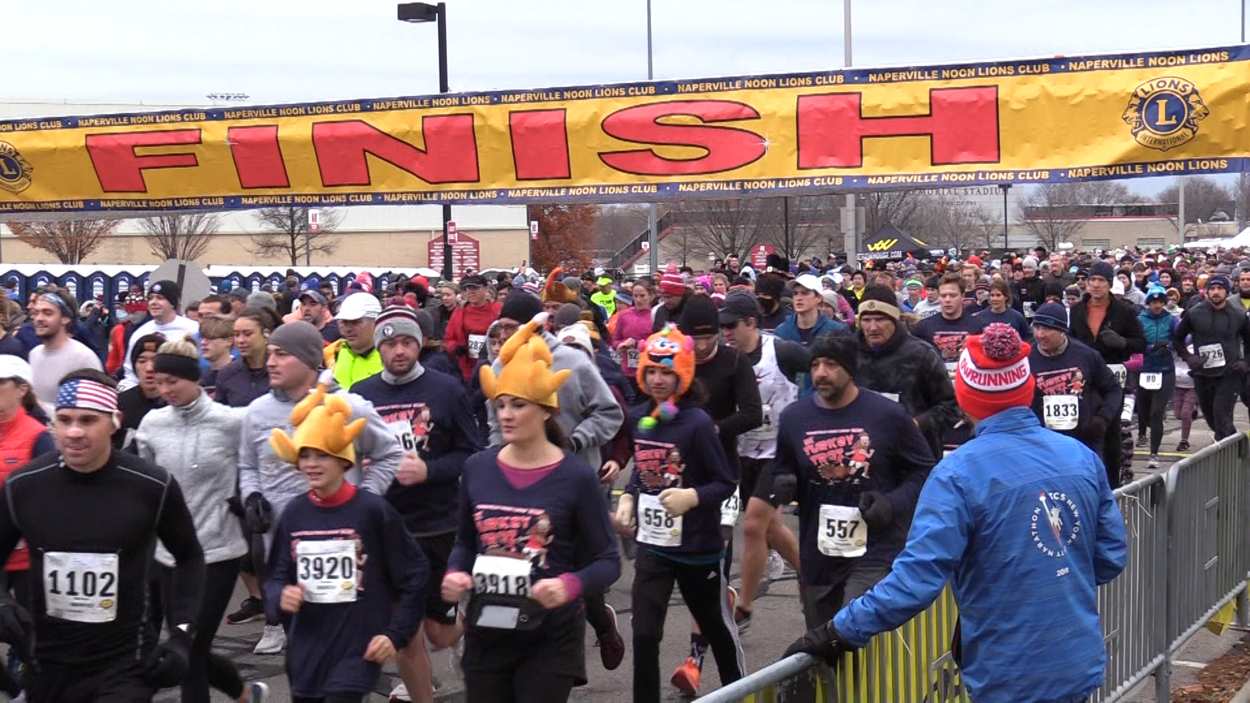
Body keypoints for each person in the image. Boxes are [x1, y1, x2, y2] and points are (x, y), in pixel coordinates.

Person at [785, 323, 1128, 703]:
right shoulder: (1079, 456)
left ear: (965, 397)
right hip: (1076, 660)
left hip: (1007, 671)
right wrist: (1050, 576)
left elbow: (916, 579)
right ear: (1027, 388)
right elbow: (1110, 557)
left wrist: (837, 632)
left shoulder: (956, 474)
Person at [441, 318, 620, 703]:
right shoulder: (478, 468)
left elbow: (608, 561)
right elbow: (464, 544)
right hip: (488, 627)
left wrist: (568, 585)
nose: (505, 414)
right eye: (500, 404)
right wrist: (456, 573)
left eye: (518, 405)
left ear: (544, 411)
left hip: (550, 634)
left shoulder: (574, 476)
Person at [0, 370, 206, 702]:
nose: (74, 432)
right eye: (64, 420)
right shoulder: (24, 486)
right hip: (48, 664)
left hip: (125, 664)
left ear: (114, 422)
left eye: (88, 420)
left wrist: (182, 634)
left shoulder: (152, 485)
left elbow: (189, 557)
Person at [239, 321, 403, 656]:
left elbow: (389, 454)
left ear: (309, 360)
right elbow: (248, 466)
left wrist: (366, 500)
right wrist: (252, 496)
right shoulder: (257, 412)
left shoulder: (347, 406)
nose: (270, 362)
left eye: (281, 354)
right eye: (269, 353)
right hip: (285, 551)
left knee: (345, 654)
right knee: (303, 655)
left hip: (344, 552)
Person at [352, 307, 483, 703]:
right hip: (388, 529)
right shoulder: (361, 395)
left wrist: (428, 470)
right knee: (404, 635)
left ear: (419, 344)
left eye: (407, 342)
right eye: (389, 343)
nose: (399, 351)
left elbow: (470, 454)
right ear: (378, 348)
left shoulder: (446, 390)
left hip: (437, 524)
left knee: (438, 634)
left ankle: (468, 623)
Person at [265, 390, 428, 703]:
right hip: (307, 647)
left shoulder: (372, 511)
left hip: (357, 645)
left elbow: (415, 574)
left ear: (343, 460)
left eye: (322, 455)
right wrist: (280, 596)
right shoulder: (294, 512)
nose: (312, 464)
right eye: (305, 455)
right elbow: (275, 576)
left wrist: (394, 634)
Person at [613, 324, 742, 703]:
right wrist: (628, 497)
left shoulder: (698, 424)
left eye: (666, 372)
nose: (657, 379)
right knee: (644, 634)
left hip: (698, 548)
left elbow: (725, 482)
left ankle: (740, 690)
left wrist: (692, 496)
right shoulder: (643, 419)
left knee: (716, 630)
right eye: (650, 371)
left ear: (681, 375)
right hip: (654, 547)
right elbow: (643, 469)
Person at [773, 331, 934, 630]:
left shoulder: (887, 415)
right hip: (818, 553)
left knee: (851, 629)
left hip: (874, 551)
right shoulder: (795, 417)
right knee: (823, 645)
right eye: (816, 364)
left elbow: (924, 470)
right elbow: (783, 468)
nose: (821, 373)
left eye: (831, 365)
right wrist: (784, 481)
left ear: (850, 369)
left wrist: (891, 503)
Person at [135, 340, 266, 703]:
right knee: (184, 646)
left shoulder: (230, 421)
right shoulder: (152, 423)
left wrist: (248, 497)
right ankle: (243, 692)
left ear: (195, 379)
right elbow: (145, 481)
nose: (165, 390)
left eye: (173, 381)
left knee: (190, 648)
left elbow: (262, 452)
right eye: (158, 382)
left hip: (217, 551)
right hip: (165, 553)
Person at [669, 294, 762, 693]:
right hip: (682, 475)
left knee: (714, 561)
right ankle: (714, 617)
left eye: (710, 336)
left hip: (722, 474)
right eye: (696, 337)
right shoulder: (674, 359)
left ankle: (696, 658)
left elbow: (753, 413)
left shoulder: (733, 362)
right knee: (686, 564)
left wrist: (713, 429)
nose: (704, 344)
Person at [718, 292, 807, 632]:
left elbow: (824, 365)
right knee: (770, 528)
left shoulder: (780, 350)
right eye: (721, 326)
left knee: (754, 524)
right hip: (741, 452)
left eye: (730, 326)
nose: (725, 333)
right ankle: (810, 575)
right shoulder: (726, 359)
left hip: (780, 452)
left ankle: (744, 606)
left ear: (751, 323)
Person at [853, 285, 959, 459]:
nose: (872, 327)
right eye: (867, 320)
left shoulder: (922, 354)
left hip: (914, 456)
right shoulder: (848, 352)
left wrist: (914, 424)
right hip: (864, 455)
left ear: (895, 319)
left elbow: (950, 407)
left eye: (880, 319)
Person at [1027, 303, 1124, 486]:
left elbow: (1113, 389)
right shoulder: (1026, 358)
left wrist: (1102, 420)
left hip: (1084, 442)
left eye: (1047, 329)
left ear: (1062, 330)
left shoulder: (1087, 355)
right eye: (1037, 327)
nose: (1040, 335)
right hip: (1044, 445)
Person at [1068, 261, 1145, 485]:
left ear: (1109, 284)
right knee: (1084, 427)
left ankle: (1112, 484)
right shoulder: (1076, 311)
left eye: (1101, 281)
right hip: (1084, 377)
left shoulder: (1125, 311)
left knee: (1111, 431)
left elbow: (1140, 343)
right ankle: (1084, 479)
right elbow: (1070, 339)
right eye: (1092, 280)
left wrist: (1121, 342)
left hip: (1112, 379)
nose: (1095, 285)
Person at [1172, 273, 1250, 441]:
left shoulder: (1238, 315)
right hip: (1203, 374)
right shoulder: (1194, 314)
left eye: (1220, 288)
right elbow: (1177, 339)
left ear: (1227, 291)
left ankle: (1226, 460)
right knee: (1212, 419)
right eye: (1212, 288)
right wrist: (1189, 357)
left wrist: (1246, 362)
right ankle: (1237, 442)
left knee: (1221, 414)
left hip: (1230, 373)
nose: (1216, 292)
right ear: (1206, 292)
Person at [28, 288, 102, 405]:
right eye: (36, 313)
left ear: (65, 318)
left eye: (48, 313)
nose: (39, 319)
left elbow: (94, 409)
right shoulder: (34, 354)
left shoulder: (83, 358)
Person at [122, 280, 199, 388]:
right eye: (151, 298)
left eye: (160, 298)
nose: (153, 302)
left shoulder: (193, 329)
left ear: (172, 303)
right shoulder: (140, 332)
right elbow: (130, 372)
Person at [914, 273, 986, 378]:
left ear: (962, 296)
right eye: (943, 296)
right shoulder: (922, 327)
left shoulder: (978, 325)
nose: (947, 300)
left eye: (952, 295)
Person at [1136, 286, 1178, 468]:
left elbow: (1182, 339)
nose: (1157, 305)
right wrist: (1148, 348)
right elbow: (1134, 341)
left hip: (1165, 370)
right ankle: (1142, 433)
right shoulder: (1139, 320)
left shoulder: (1171, 319)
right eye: (1153, 302)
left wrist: (1169, 345)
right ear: (1148, 304)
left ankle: (1154, 453)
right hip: (1144, 370)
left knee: (1157, 412)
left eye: (1160, 302)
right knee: (1143, 412)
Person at [444, 274, 502, 382]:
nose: (470, 291)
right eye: (467, 288)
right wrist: (455, 348)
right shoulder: (459, 311)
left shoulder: (498, 309)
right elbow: (448, 338)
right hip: (467, 368)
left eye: (475, 288)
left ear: (486, 289)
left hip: (494, 367)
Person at [113, 333, 166, 451]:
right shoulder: (120, 404)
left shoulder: (176, 403)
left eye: (156, 361)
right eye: (142, 361)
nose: (149, 368)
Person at [216, 307, 277, 408]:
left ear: (266, 335)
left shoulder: (280, 371)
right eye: (236, 335)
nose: (241, 340)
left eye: (247, 334)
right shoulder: (227, 374)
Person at [774, 274, 848, 348]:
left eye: (805, 293)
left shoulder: (836, 331)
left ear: (818, 298)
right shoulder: (781, 331)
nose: (798, 298)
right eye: (795, 293)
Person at [328, 292, 384, 390]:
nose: (348, 329)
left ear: (376, 322)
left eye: (355, 322)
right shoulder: (333, 353)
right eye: (344, 322)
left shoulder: (389, 358)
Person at [198, 316, 235, 397]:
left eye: (210, 338)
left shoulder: (239, 373)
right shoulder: (200, 376)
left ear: (229, 341)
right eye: (203, 338)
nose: (203, 342)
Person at [652, 265, 691, 332]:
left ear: (679, 295)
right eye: (663, 297)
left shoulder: (691, 310)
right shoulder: (660, 311)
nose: (666, 300)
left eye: (669, 297)